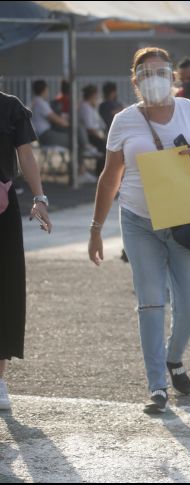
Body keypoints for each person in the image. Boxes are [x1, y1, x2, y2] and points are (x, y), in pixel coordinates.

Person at [88, 47, 190, 414]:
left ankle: (174, 358)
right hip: (138, 220)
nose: (154, 78)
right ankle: (156, 387)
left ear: (172, 77)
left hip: (184, 219)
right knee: (150, 303)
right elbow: (110, 177)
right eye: (146, 73)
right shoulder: (123, 121)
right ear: (135, 81)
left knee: (189, 308)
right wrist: (96, 228)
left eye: (161, 71)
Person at [0, 91, 53, 411]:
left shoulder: (9, 107)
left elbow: (26, 156)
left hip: (2, 208)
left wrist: (40, 198)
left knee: (4, 288)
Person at [30, 79, 70, 148]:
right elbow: (57, 120)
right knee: (73, 139)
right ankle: (78, 157)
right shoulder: (41, 103)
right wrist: (70, 124)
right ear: (44, 90)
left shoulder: (35, 102)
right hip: (46, 135)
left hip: (41, 135)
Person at [79, 84, 107, 176]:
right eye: (96, 95)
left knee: (106, 145)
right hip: (90, 136)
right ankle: (100, 174)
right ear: (92, 95)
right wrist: (101, 137)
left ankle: (101, 173)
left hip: (93, 134)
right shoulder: (85, 107)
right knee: (105, 147)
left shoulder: (90, 107)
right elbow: (90, 128)